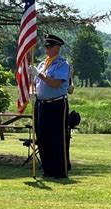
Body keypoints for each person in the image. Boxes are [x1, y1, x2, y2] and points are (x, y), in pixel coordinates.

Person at [28, 34, 70, 179]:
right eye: (46, 46)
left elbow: (55, 83)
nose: (46, 49)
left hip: (57, 103)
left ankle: (59, 171)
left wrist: (39, 75)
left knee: (57, 138)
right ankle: (48, 170)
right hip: (42, 104)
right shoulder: (42, 64)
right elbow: (34, 83)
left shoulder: (62, 64)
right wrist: (32, 93)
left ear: (58, 47)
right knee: (43, 138)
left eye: (50, 46)